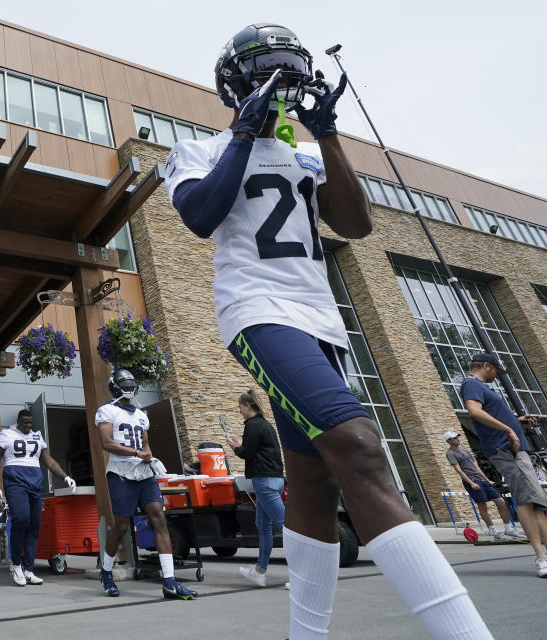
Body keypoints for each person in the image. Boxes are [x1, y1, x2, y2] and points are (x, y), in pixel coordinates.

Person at [165, 22, 492, 639]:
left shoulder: (307, 153)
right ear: (235, 85)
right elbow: (201, 215)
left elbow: (357, 224)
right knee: (361, 447)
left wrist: (329, 132)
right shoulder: (200, 148)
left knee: (313, 482)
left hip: (323, 322)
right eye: (269, 74)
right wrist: (244, 130)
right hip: (259, 310)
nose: (281, 85)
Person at [96, 369, 197, 600]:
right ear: (115, 386)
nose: (130, 387)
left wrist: (151, 459)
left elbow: (146, 445)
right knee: (121, 525)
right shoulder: (107, 410)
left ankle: (169, 581)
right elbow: (106, 443)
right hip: (120, 474)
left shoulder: (142, 415)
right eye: (126, 383)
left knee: (159, 518)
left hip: (144, 474)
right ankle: (106, 571)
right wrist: (136, 453)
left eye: (132, 383)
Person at [460, 353, 547, 577]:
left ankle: (544, 554)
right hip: (504, 450)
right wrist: (508, 430)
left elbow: (490, 414)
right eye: (497, 371)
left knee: (538, 501)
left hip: (517, 449)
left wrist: (517, 423)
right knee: (527, 500)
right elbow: (474, 412)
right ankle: (541, 557)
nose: (497, 376)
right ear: (486, 366)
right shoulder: (471, 384)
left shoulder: (485, 389)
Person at [0, 409, 77, 586]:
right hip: (15, 482)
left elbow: (49, 461)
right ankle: (16, 565)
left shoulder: (37, 436)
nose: (28, 426)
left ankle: (29, 570)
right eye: (25, 423)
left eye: (30, 423)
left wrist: (65, 476)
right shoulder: (6, 434)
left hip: (35, 484)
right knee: (21, 519)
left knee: (34, 525)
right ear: (18, 421)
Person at [225, 389, 285, 586]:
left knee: (286, 527)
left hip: (264, 481)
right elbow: (258, 450)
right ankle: (259, 571)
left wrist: (235, 447)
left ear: (248, 405)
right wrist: (241, 446)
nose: (239, 411)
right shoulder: (265, 425)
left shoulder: (252, 425)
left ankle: (304, 575)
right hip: (275, 479)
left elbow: (247, 454)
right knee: (263, 526)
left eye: (240, 407)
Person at [443, 430, 524, 540]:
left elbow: (476, 467)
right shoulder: (450, 453)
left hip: (482, 480)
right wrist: (471, 483)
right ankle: (494, 531)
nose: (457, 439)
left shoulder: (465, 451)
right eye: (454, 438)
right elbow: (459, 471)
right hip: (472, 481)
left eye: (457, 437)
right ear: (449, 441)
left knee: (501, 502)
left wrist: (487, 480)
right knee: (483, 506)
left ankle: (508, 528)